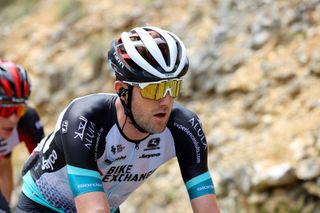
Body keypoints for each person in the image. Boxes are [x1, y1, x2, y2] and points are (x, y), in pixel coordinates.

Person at [17, 26, 220, 213]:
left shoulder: (185, 127)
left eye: (173, 87)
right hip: (43, 204)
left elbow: (207, 209)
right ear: (122, 91)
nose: (166, 101)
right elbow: (94, 210)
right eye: (154, 89)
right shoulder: (86, 118)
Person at [0, 59, 45, 213]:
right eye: (6, 110)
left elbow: (45, 173)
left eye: (18, 110)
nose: (13, 119)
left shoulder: (27, 121)